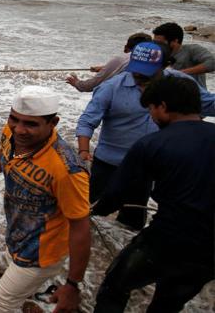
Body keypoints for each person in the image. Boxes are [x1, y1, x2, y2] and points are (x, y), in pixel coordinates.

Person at [0, 86, 90, 313]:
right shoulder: (11, 134)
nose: (19, 130)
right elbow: (2, 155)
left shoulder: (67, 170)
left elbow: (81, 227)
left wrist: (72, 285)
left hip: (42, 253)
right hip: (19, 234)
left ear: (53, 123)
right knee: (14, 293)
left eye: (31, 124)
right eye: (14, 119)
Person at [92, 76, 215, 313]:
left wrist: (94, 210)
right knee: (169, 303)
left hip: (166, 241)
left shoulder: (151, 144)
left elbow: (118, 193)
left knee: (115, 286)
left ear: (163, 107)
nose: (151, 116)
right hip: (208, 254)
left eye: (151, 108)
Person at [76, 41, 215, 230]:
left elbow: (207, 103)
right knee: (87, 211)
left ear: (165, 66)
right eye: (136, 70)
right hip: (110, 162)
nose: (139, 76)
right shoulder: (111, 87)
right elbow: (87, 120)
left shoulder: (179, 85)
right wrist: (84, 151)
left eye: (147, 72)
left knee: (132, 221)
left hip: (150, 166)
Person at [66, 33, 151, 92]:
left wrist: (77, 83)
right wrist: (105, 68)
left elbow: (92, 85)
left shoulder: (120, 59)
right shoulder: (156, 62)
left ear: (126, 47)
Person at [153, 22, 215, 89]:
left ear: (175, 41)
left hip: (195, 97)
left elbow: (212, 63)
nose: (156, 46)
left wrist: (179, 74)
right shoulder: (156, 54)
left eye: (160, 43)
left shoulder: (191, 50)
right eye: (155, 42)